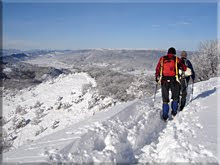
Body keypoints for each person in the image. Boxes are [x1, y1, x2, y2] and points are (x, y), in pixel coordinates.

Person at [155, 47, 187, 121]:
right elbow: (184, 68)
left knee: (165, 99)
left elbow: (157, 68)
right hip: (174, 80)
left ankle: (165, 116)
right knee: (175, 97)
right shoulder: (176, 59)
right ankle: (174, 112)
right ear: (174, 53)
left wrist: (157, 77)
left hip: (164, 80)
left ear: (168, 52)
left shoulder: (162, 59)